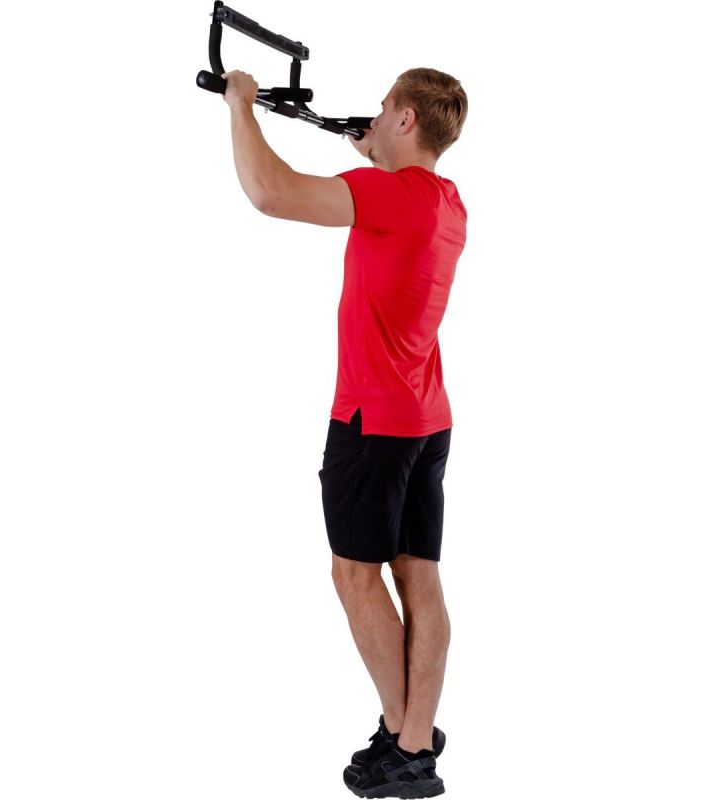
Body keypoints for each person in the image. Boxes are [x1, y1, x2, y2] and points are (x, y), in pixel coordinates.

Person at [221, 66, 468, 798]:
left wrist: (241, 106)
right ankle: (415, 737)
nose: (377, 115)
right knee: (419, 578)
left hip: (371, 422)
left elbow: (269, 191)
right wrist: (377, 154)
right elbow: (398, 198)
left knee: (355, 576)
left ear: (406, 120)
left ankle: (406, 741)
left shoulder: (388, 197)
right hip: (425, 419)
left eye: (386, 108)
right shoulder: (447, 201)